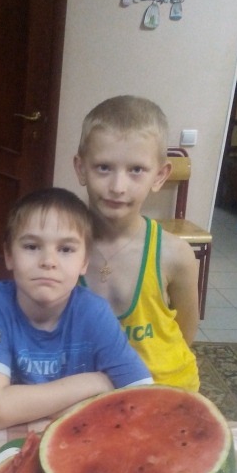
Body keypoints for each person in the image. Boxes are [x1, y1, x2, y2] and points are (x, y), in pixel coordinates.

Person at [0, 187, 152, 429]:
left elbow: (145, 398)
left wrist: (25, 405)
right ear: (9, 255)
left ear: (84, 262)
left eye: (66, 249)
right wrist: (95, 382)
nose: (48, 261)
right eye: (32, 247)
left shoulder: (95, 313)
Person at [73, 95, 200, 391]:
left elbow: (186, 333)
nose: (118, 187)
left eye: (136, 170)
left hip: (163, 389)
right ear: (81, 169)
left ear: (160, 176)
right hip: (88, 389)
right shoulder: (60, 250)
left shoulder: (175, 254)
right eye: (103, 167)